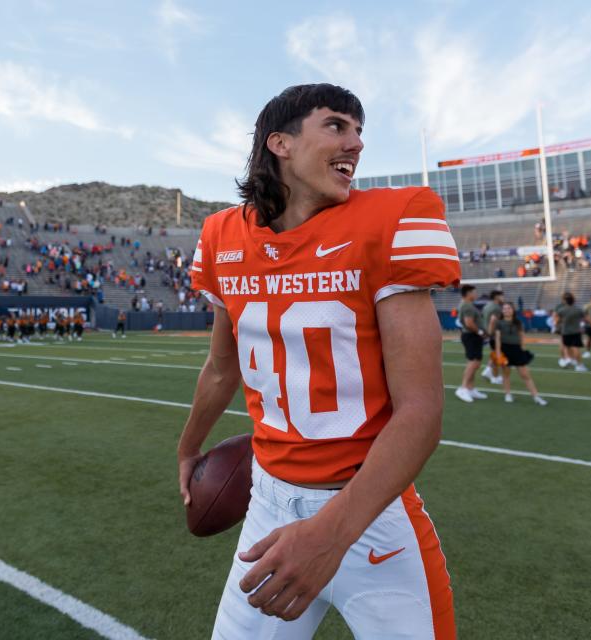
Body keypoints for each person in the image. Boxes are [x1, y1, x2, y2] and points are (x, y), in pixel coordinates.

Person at [178, 84, 458, 639]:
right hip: (268, 503)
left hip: (371, 516)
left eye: (359, 131)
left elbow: (421, 410)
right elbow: (221, 367)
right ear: (279, 142)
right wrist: (188, 448)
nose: (355, 143)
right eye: (336, 125)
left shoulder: (394, 219)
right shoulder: (221, 236)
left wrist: (332, 533)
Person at [494, 302, 548, 405]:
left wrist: (522, 350)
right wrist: (498, 353)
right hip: (505, 350)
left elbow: (522, 337)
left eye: (509, 308)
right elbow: (497, 339)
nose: (506, 310)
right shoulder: (499, 323)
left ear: (513, 310)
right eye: (504, 308)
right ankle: (507, 394)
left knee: (525, 375)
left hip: (517, 350)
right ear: (502, 311)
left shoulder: (518, 322)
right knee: (506, 374)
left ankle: (536, 396)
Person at [455, 284, 487, 403]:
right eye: (474, 292)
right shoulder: (467, 305)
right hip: (471, 335)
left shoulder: (466, 304)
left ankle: (470, 388)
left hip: (471, 335)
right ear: (468, 294)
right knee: (473, 362)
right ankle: (463, 388)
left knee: (475, 362)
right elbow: (469, 323)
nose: (476, 294)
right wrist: (479, 331)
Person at [553, 292, 588, 372]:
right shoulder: (577, 309)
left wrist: (556, 325)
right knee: (574, 347)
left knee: (566, 345)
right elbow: (585, 318)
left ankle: (568, 359)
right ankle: (574, 362)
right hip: (574, 330)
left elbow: (556, 319)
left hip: (565, 330)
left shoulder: (561, 308)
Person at [480, 289, 504, 384]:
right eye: (502, 296)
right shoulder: (496, 307)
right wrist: (490, 333)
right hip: (494, 334)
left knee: (495, 354)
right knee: (497, 354)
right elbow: (493, 320)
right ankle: (490, 372)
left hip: (488, 333)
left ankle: (492, 374)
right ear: (497, 297)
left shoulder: (487, 306)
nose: (503, 298)